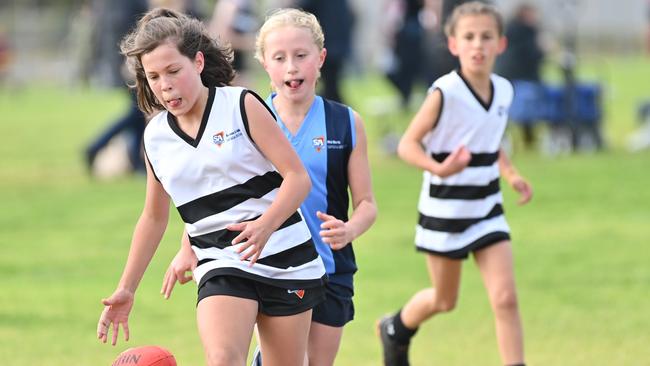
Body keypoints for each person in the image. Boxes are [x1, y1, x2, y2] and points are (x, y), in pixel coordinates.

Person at [96, 8, 327, 366]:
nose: (165, 85)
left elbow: (298, 179)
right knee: (222, 359)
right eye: (154, 76)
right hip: (220, 261)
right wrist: (126, 288)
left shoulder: (240, 105)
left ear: (198, 62)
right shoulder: (155, 137)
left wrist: (265, 226)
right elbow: (154, 218)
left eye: (174, 71)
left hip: (287, 257)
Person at [161, 8, 377, 366]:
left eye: (301, 55)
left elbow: (367, 202)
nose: (291, 67)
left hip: (331, 264)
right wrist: (187, 247)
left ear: (320, 59)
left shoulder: (346, 122)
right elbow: (217, 195)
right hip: (266, 261)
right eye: (280, 58)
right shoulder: (248, 115)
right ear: (264, 63)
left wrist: (350, 228)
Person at [377, 2, 532, 366]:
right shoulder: (444, 92)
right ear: (453, 45)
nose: (478, 45)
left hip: (487, 207)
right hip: (444, 210)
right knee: (445, 300)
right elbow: (406, 145)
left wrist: (512, 175)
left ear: (501, 44)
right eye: (469, 37)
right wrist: (439, 168)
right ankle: (395, 328)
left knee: (506, 298)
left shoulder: (504, 90)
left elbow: (489, 143)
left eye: (486, 37)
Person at [495, 3, 545, 149]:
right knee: (524, 108)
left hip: (507, 75)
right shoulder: (527, 32)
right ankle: (528, 138)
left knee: (507, 108)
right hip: (521, 77)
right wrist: (543, 49)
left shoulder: (510, 29)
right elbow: (531, 54)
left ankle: (511, 137)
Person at [290, 0, 355, 104]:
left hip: (327, 45)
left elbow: (302, 10)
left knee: (330, 87)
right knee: (331, 85)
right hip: (338, 45)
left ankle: (339, 113)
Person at [208, 0, 259, 87]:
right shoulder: (229, 5)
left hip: (241, 67)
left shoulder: (247, 4)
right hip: (229, 67)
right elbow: (221, 37)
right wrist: (249, 43)